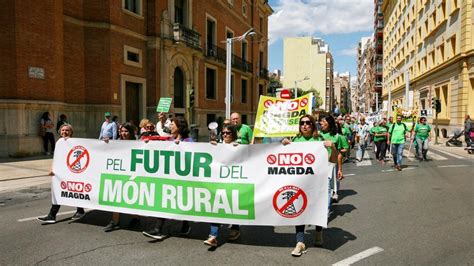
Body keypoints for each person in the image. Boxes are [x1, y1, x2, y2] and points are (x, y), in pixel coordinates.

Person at [281, 115, 339, 257]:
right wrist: (282, 146)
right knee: (299, 210)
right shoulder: (294, 140)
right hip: (300, 182)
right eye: (302, 123)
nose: (305, 125)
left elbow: (332, 161)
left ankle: (318, 231)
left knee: (318, 208)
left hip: (318, 182)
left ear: (313, 125)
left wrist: (333, 147)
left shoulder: (320, 140)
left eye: (308, 123)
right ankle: (300, 242)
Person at [142, 116, 192, 240]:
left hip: (183, 178)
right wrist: (148, 144)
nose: (170, 126)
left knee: (182, 201)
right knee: (164, 200)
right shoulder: (169, 139)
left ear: (179, 127)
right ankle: (158, 229)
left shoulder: (189, 140)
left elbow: (192, 154)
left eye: (172, 124)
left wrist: (180, 146)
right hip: (169, 177)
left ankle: (186, 225)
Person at [37, 124, 86, 224]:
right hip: (62, 173)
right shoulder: (59, 143)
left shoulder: (76, 142)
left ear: (71, 132)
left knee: (75, 192)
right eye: (63, 130)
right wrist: (52, 169)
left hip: (74, 172)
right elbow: (57, 158)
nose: (64, 132)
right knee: (61, 192)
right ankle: (53, 215)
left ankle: (78, 211)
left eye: (67, 130)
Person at [203, 124, 240, 247]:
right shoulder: (217, 145)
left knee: (234, 206)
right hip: (219, 183)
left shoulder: (239, 145)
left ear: (233, 134)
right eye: (223, 133)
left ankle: (235, 228)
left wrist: (239, 148)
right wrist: (212, 147)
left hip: (234, 183)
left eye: (228, 133)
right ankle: (213, 235)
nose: (225, 135)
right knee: (217, 206)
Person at [103, 122, 140, 232]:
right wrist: (106, 144)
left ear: (131, 132)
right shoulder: (116, 142)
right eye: (122, 131)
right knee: (116, 196)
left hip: (133, 174)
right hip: (119, 173)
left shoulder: (138, 143)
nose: (123, 133)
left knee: (132, 197)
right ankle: (115, 221)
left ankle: (136, 218)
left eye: (126, 131)